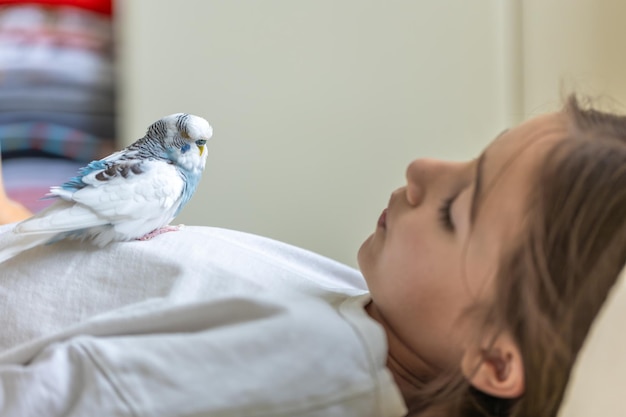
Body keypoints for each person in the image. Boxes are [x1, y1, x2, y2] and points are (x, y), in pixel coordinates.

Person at [0, 95, 624, 417]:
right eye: (475, 157)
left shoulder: (315, 369)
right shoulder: (368, 312)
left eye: (453, 212)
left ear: (492, 356)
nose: (422, 169)